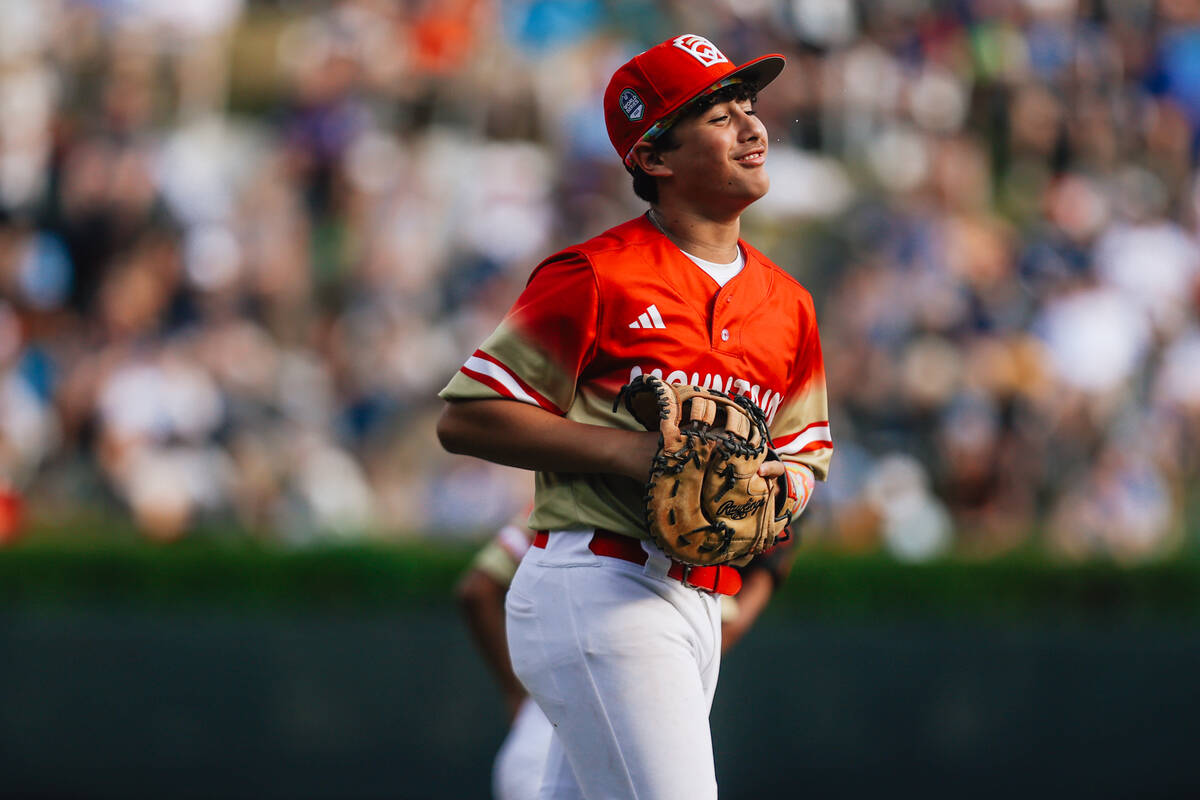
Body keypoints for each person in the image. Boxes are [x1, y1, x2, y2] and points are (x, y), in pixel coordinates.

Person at [438, 33, 832, 799]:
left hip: (700, 600)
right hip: (599, 582)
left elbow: (806, 449)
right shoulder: (595, 275)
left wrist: (774, 491)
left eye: (749, 108)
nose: (753, 128)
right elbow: (469, 416)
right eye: (719, 116)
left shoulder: (790, 305)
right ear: (654, 157)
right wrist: (632, 454)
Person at [456, 511, 799, 800]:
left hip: (540, 742)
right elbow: (714, 632)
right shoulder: (674, 531)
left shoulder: (556, 502)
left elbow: (478, 588)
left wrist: (516, 695)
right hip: (558, 744)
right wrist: (766, 577)